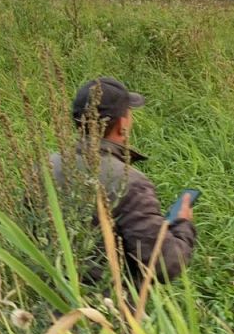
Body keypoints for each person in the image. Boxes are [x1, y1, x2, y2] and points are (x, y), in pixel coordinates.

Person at [51, 77, 196, 289]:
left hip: (49, 303)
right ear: (122, 124)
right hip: (110, 312)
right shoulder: (129, 183)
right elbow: (165, 264)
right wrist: (183, 225)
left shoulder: (46, 166)